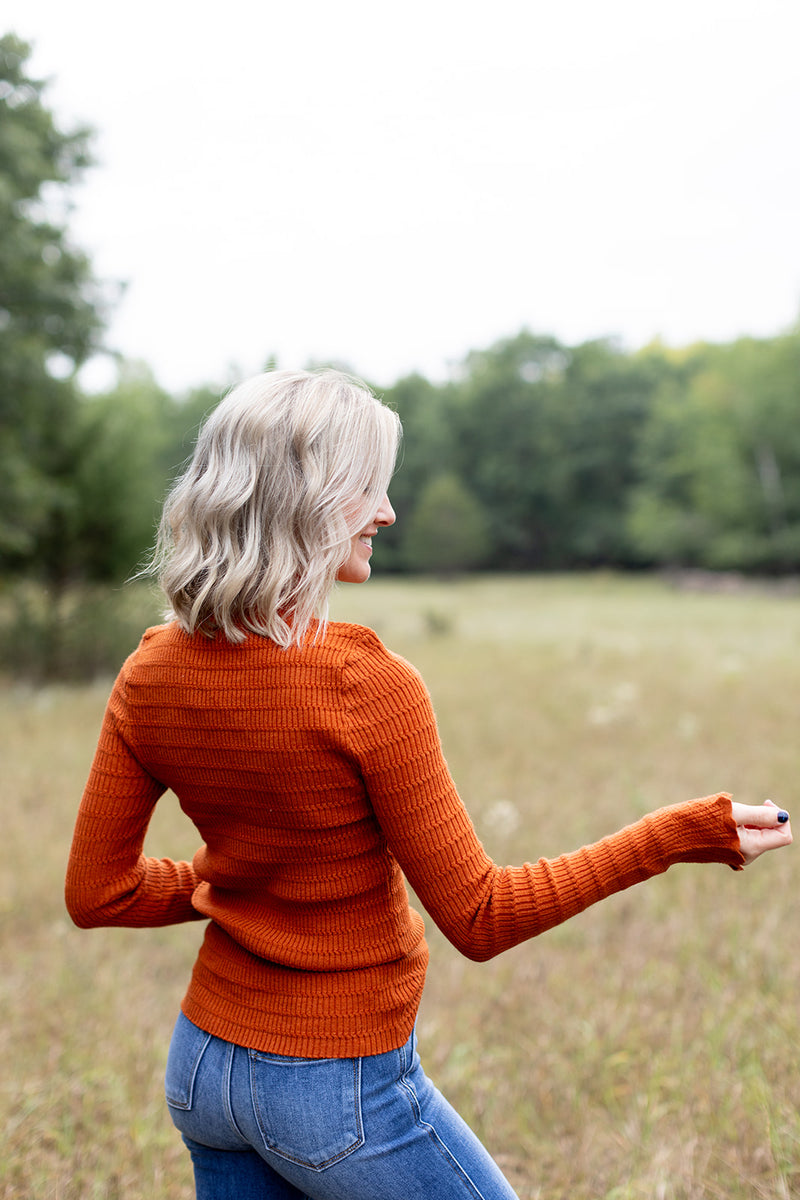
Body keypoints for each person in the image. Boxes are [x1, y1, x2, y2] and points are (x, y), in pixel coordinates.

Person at [65, 367, 792, 1200]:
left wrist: (218, 879)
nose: (387, 512)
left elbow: (99, 893)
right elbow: (481, 916)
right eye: (369, 489)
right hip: (336, 1091)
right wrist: (675, 834)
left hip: (203, 1070)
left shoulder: (148, 671)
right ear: (308, 500)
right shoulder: (365, 684)